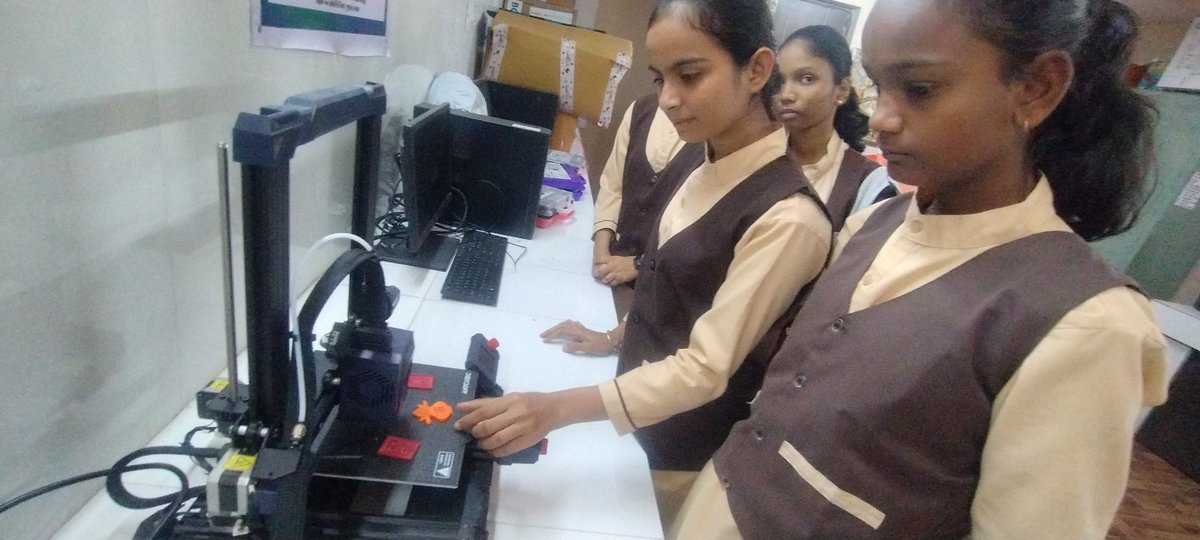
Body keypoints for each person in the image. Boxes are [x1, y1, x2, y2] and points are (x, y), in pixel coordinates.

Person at [670, 0, 1168, 538]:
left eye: (920, 89)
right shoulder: (876, 223)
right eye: (879, 86)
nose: (882, 117)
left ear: (1036, 88)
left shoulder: (1084, 324)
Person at [456, 0, 833, 526]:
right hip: (631, 416)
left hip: (678, 453)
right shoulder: (704, 160)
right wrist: (615, 336)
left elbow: (705, 368)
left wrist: (555, 408)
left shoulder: (789, 219)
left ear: (757, 70)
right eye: (660, 78)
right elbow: (682, 287)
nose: (669, 100)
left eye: (690, 75)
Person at [775, 25, 897, 231]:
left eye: (806, 79)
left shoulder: (868, 185)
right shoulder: (753, 157)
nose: (786, 94)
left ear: (841, 90)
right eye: (779, 81)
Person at [591, 94, 701, 293]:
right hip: (613, 267)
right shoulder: (641, 109)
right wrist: (601, 248)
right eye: (660, 78)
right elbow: (613, 185)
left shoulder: (715, 131)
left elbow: (698, 226)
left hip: (663, 286)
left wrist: (639, 264)